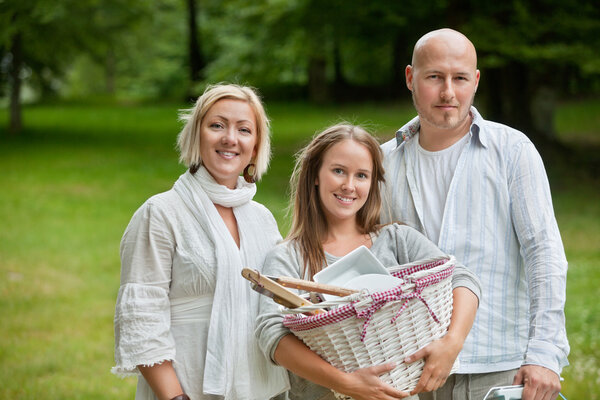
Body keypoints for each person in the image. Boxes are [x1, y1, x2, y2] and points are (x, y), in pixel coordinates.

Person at [380, 28, 569, 400]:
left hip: (499, 365)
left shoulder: (512, 151)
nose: (448, 92)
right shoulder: (383, 163)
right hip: (411, 370)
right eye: (434, 77)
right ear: (410, 78)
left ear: (476, 81)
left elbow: (544, 253)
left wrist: (545, 354)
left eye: (460, 78)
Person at [256, 123, 481, 400]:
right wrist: (346, 384)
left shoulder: (397, 241)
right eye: (338, 171)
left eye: (361, 175)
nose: (349, 186)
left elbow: (461, 277)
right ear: (315, 174)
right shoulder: (288, 257)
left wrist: (452, 343)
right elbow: (272, 334)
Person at [112, 83, 289, 400]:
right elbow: (142, 318)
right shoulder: (161, 213)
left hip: (259, 389)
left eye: (244, 129)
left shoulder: (262, 219)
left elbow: (280, 305)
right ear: (197, 135)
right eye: (217, 125)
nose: (230, 138)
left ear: (255, 144)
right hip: (184, 389)